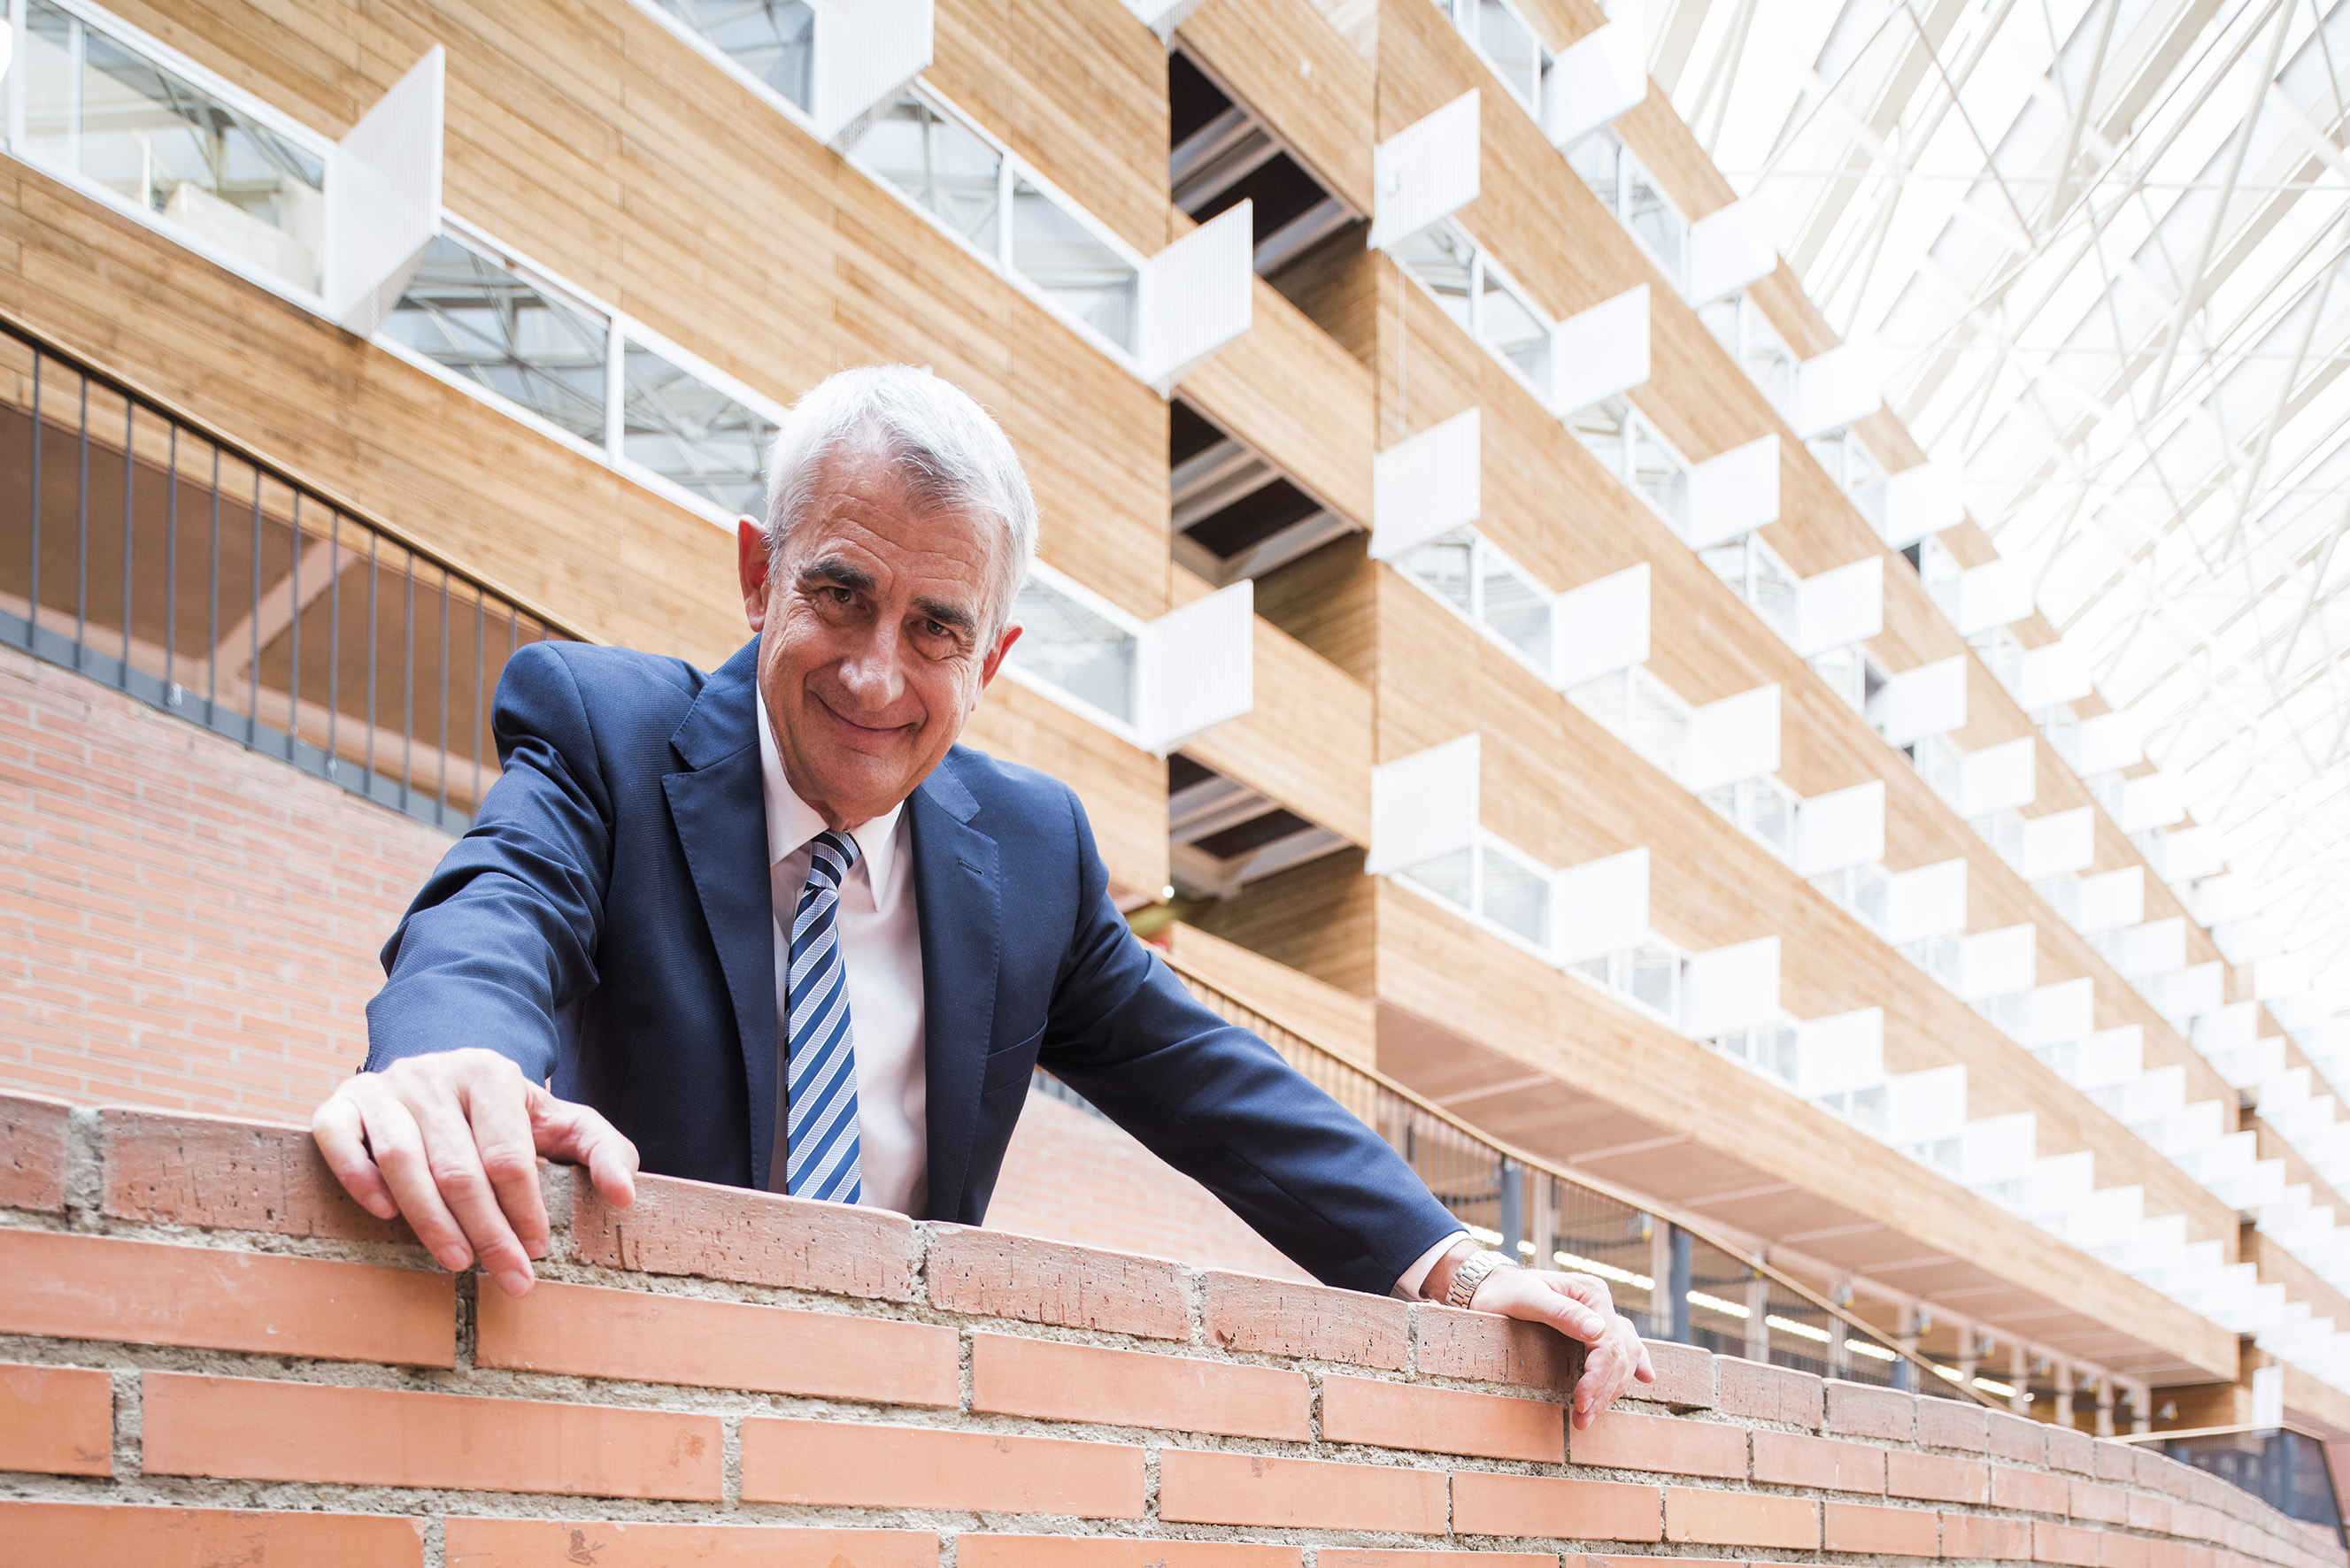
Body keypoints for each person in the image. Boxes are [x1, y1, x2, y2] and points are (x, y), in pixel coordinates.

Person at [312, 365, 1653, 1428]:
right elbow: (499, 904)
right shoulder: (607, 732)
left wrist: (1463, 1269)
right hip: (619, 1438)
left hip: (888, 1460)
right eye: (839, 593)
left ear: (994, 653)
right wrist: (447, 1059)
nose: (878, 675)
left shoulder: (1029, 853)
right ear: (756, 574)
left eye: (935, 627)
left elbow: (1215, 1088)